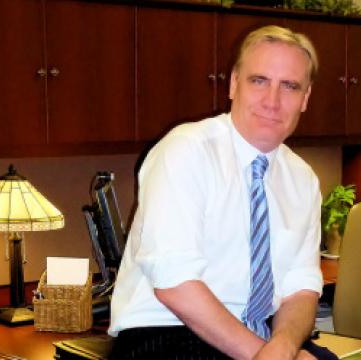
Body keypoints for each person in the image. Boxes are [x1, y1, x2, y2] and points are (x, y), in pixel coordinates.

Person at [108, 25, 337, 360]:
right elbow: (175, 284)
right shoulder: (185, 151)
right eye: (259, 81)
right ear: (233, 84)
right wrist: (264, 355)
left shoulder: (302, 179)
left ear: (305, 99)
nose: (272, 101)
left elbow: (301, 287)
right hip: (167, 333)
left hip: (261, 334)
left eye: (289, 86)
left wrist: (285, 347)